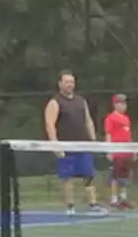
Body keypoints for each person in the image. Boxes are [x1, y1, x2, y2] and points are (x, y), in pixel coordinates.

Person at [43, 70, 107, 216]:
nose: (70, 85)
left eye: (72, 82)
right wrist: (55, 145)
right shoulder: (55, 102)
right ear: (60, 84)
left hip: (83, 145)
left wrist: (93, 140)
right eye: (67, 82)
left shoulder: (81, 101)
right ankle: (70, 206)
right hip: (66, 147)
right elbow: (49, 124)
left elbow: (88, 121)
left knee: (89, 176)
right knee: (67, 178)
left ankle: (93, 204)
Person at [103, 93, 137, 210]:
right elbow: (108, 134)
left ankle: (123, 198)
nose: (123, 105)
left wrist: (133, 150)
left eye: (124, 103)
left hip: (127, 152)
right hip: (117, 152)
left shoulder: (127, 119)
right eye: (120, 103)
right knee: (115, 176)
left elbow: (129, 135)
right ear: (115, 105)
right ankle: (114, 199)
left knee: (124, 176)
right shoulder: (110, 118)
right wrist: (109, 150)